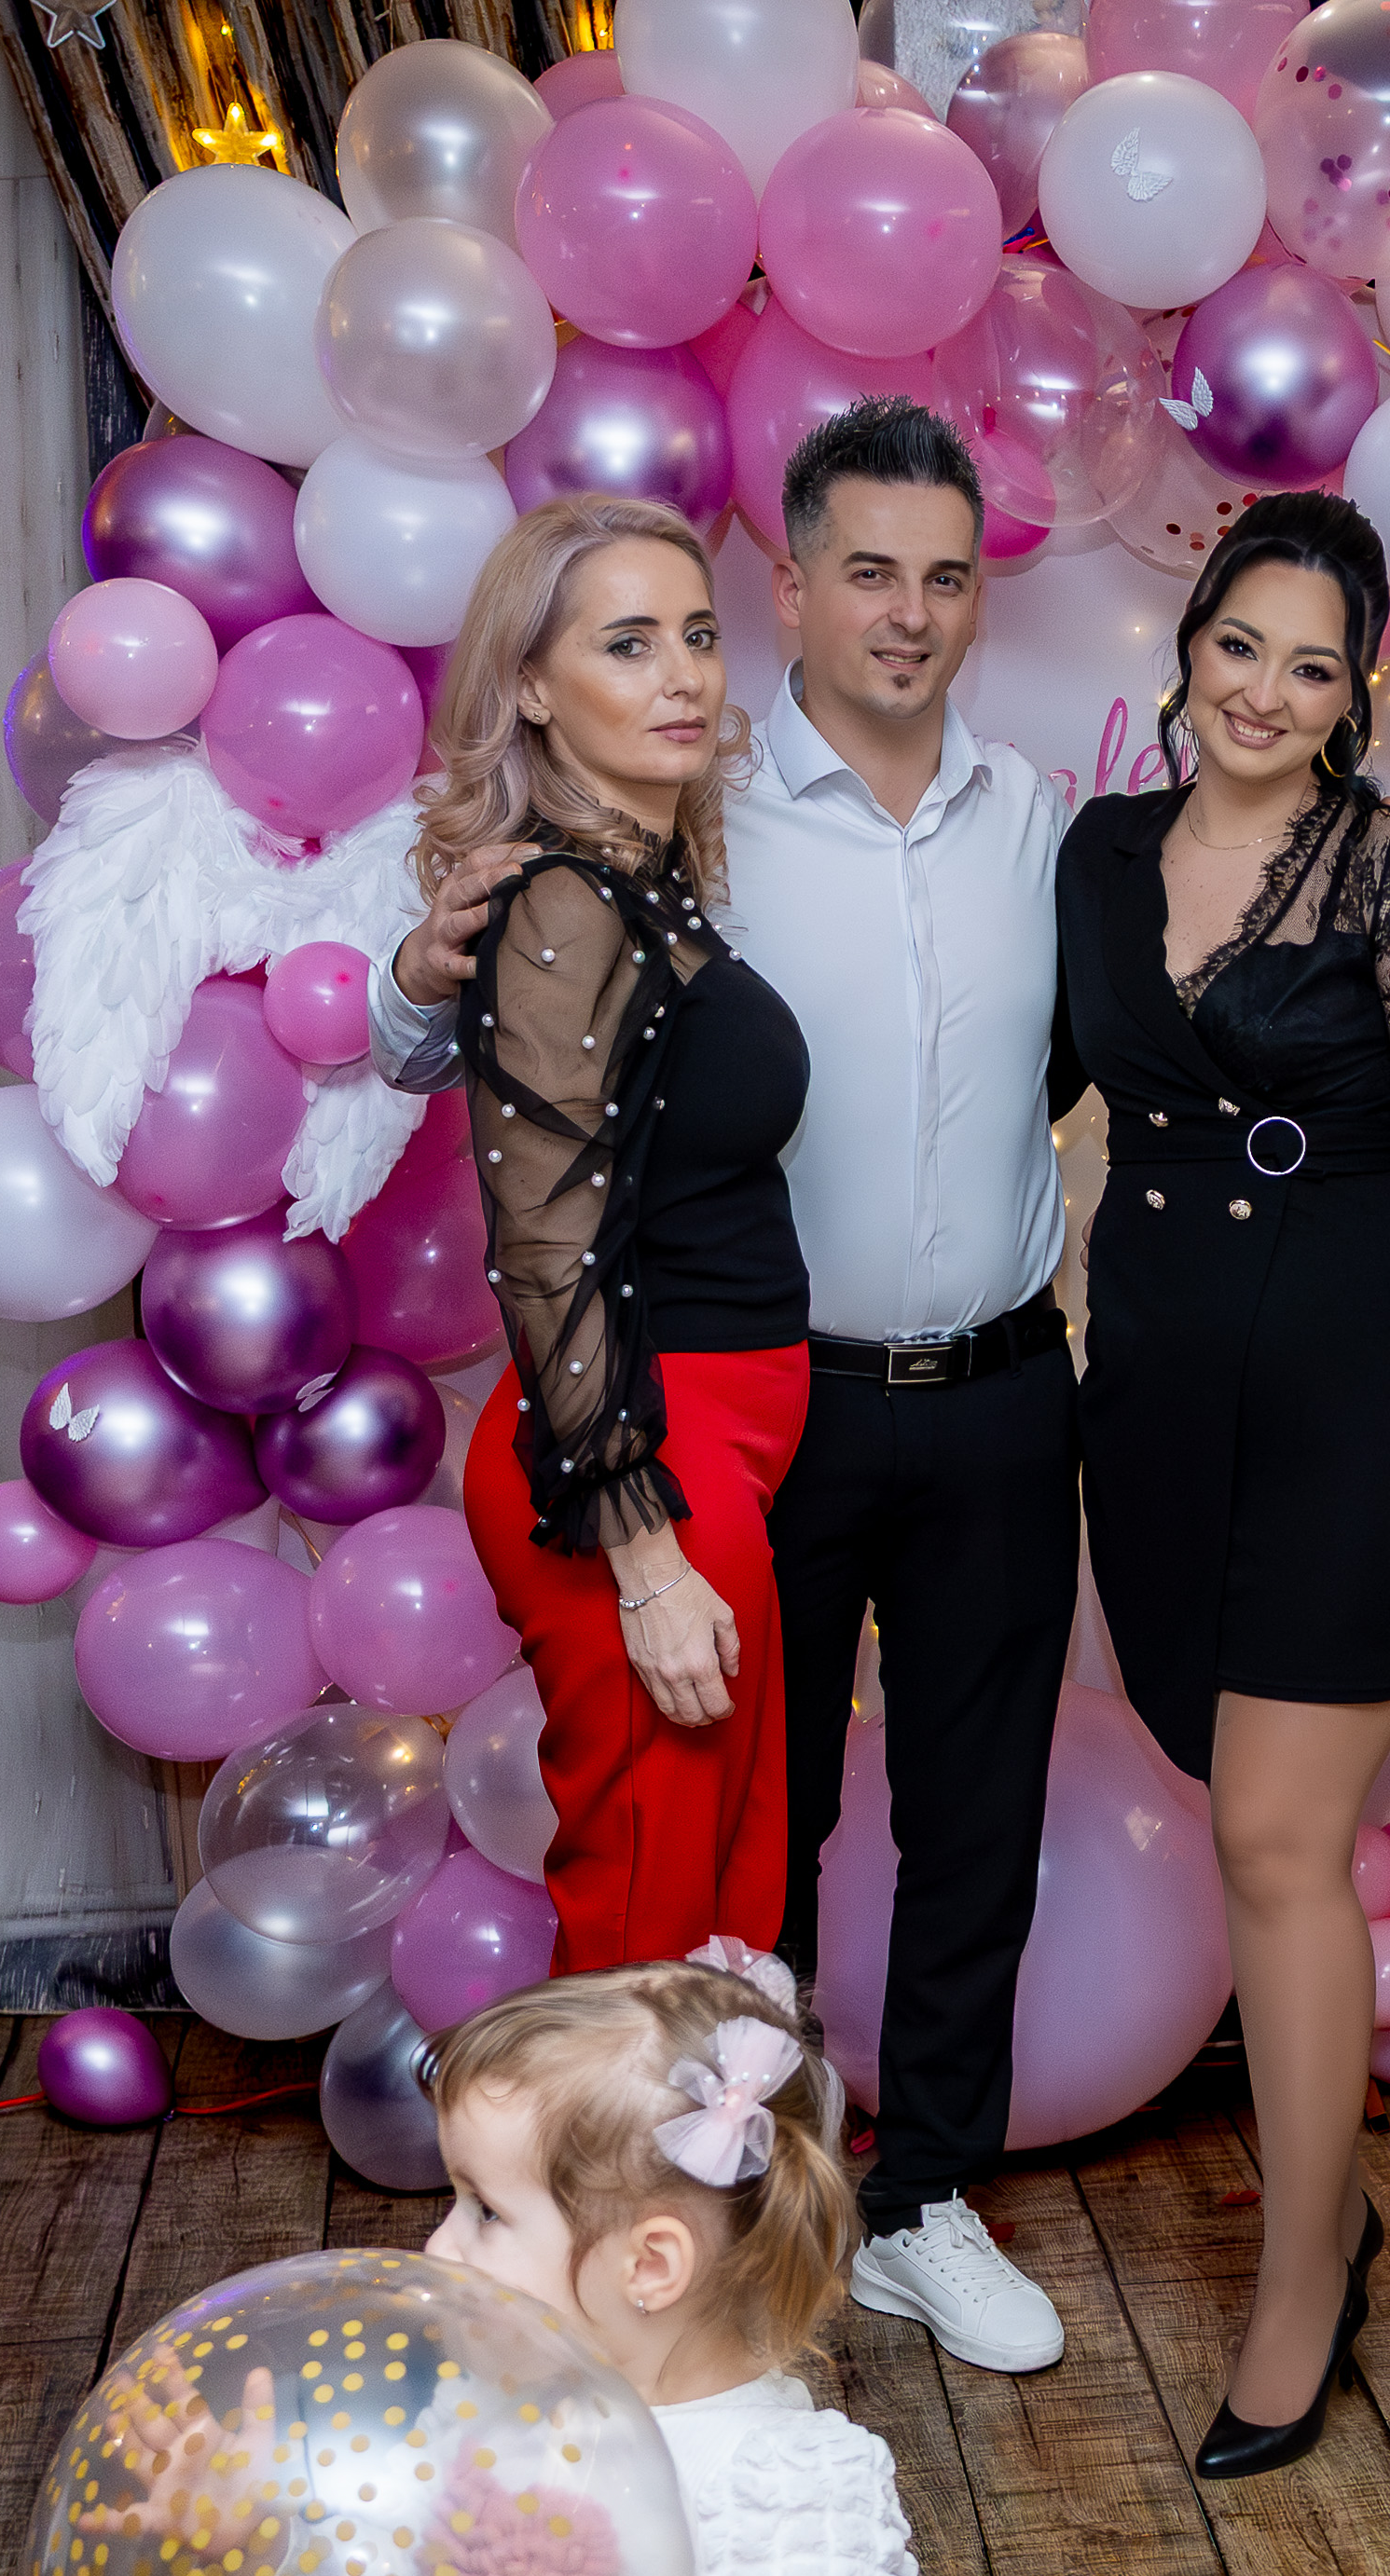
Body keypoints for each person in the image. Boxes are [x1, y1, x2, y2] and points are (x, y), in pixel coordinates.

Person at [378, 405, 1075, 2379]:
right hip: (697, 1439)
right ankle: (605, 2330)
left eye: (946, 576)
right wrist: (413, 978)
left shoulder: (1003, 820)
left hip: (934, 1399)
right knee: (688, 1892)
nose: (907, 611)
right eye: (865, 571)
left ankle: (859, 2228)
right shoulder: (664, 832)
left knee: (822, 1868)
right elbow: (526, 1184)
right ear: (801, 583)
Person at [1056, 491, 1390, 2478]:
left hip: (1354, 1397)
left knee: (1270, 1839)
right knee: (1203, 1763)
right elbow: (1003, 1093)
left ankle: (1303, 2273)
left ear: (1354, 696)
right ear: (1189, 645)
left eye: (1310, 666)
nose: (1262, 690)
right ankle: (1334, 2206)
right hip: (1153, 1394)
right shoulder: (1094, 855)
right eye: (1238, 643)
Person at [420, 494, 810, 1974]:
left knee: (716, 1914)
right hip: (636, 1448)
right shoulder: (557, 902)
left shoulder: (645, 889)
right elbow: (541, 1235)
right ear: (530, 684)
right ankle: (574, 2150)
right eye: (627, 643)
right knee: (649, 1930)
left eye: (697, 636)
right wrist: (640, 1549)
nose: (683, 675)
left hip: (712, 1440)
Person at [425, 1946, 920, 2576]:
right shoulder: (504, 2389)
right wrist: (265, 2533)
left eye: (487, 2211)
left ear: (650, 2265)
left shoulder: (779, 2484)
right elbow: (388, 2552)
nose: (437, 2246)